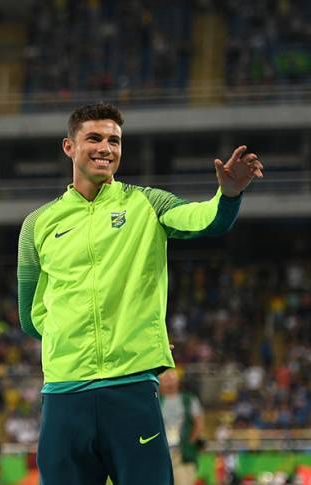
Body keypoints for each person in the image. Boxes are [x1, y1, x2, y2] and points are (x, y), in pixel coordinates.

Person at [17, 102, 262, 484]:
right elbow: (31, 314)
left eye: (114, 140)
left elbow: (202, 221)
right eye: (94, 138)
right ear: (69, 147)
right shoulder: (38, 224)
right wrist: (70, 338)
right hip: (64, 391)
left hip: (130, 387)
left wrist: (227, 196)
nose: (106, 148)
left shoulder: (147, 203)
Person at [159, 368, 204, 485]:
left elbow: (198, 423)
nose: (169, 379)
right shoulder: (156, 400)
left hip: (182, 453)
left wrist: (190, 442)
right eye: (165, 376)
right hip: (162, 453)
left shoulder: (189, 399)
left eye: (172, 375)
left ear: (178, 379)